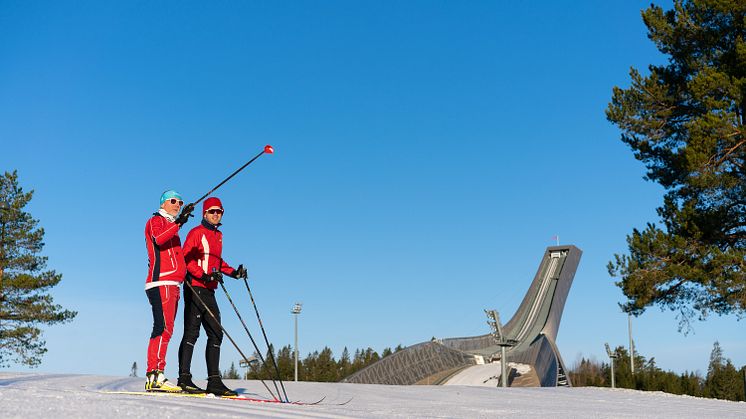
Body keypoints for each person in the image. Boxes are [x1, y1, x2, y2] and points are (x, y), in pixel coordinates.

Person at [177, 196, 248, 396]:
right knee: (192, 333)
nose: (216, 214)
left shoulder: (218, 235)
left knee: (216, 333)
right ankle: (184, 378)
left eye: (219, 212)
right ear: (205, 213)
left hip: (209, 289)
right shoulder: (196, 233)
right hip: (195, 286)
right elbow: (186, 259)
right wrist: (204, 275)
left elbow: (217, 261)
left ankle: (214, 381)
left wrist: (234, 273)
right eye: (212, 211)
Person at [144, 190, 194, 392]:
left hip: (173, 283)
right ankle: (154, 375)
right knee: (162, 328)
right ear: (163, 203)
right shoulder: (156, 221)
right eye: (173, 201)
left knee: (167, 329)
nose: (177, 204)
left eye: (180, 202)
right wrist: (179, 222)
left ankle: (157, 374)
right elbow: (158, 238)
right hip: (161, 282)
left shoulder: (173, 227)